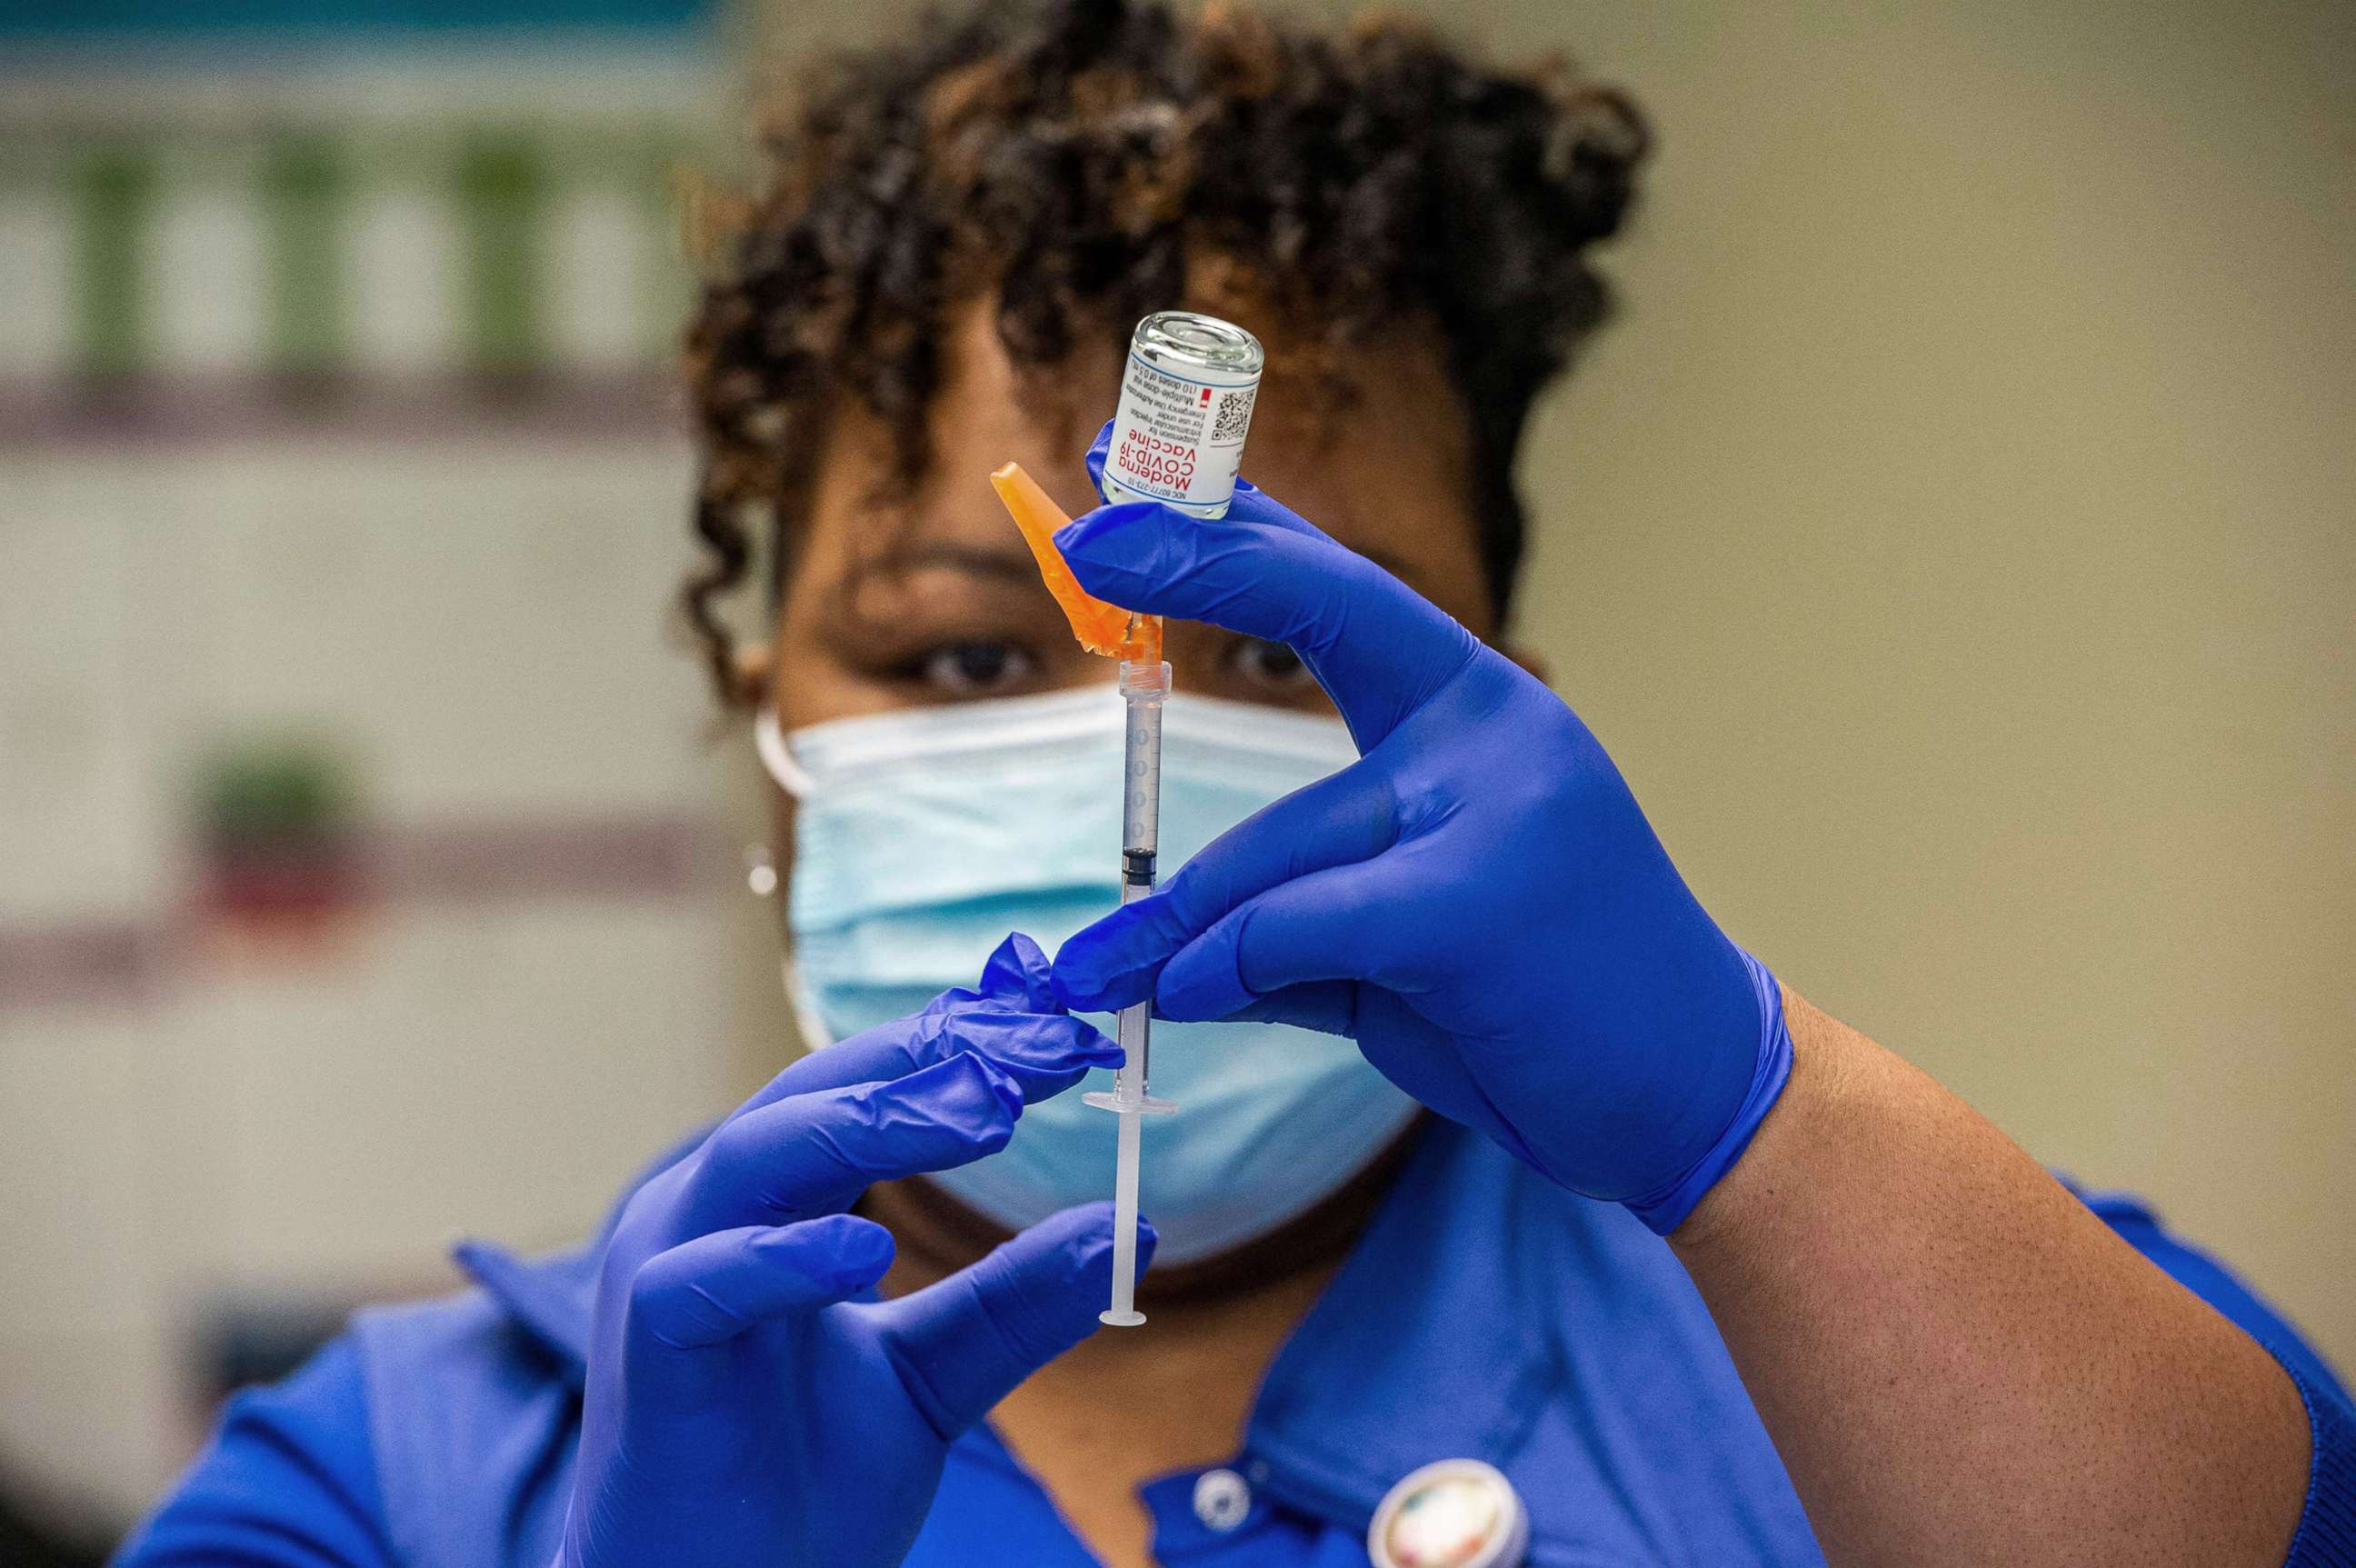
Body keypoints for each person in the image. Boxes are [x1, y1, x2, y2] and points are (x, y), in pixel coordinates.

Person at [115, 3, 2353, 1565]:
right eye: (963, 652)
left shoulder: (1874, 1328)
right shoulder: (414, 1477)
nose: (1126, 745)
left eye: (1287, 645)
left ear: (1513, 726)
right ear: (766, 708)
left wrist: (1752, 1113)